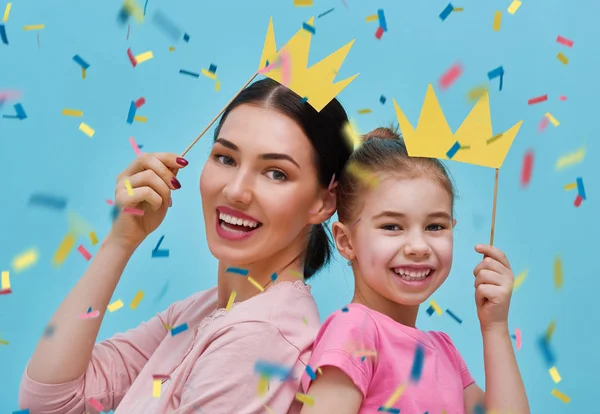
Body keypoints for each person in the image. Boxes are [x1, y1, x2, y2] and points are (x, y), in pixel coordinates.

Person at [18, 78, 353, 413]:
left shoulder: (258, 338)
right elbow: (52, 401)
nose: (236, 190)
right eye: (226, 158)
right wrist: (121, 240)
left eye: (276, 173)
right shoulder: (205, 311)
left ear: (324, 202)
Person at [300, 127, 530, 414]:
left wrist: (494, 327)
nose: (418, 247)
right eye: (392, 227)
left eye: (435, 226)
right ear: (346, 241)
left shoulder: (445, 352)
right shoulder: (353, 330)